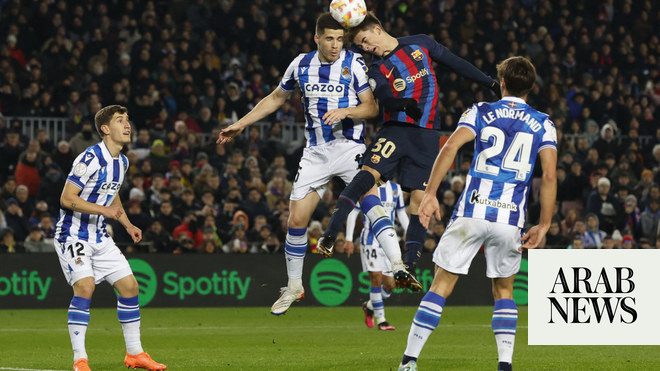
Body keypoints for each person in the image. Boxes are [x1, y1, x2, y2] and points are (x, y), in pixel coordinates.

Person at [397, 57, 557, 371]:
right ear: (531, 87)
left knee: (441, 286)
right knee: (504, 290)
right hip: (509, 220)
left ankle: (409, 361)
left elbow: (450, 147)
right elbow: (549, 176)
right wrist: (545, 223)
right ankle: (504, 364)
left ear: (503, 83)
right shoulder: (544, 122)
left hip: (471, 211)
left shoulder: (481, 110)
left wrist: (429, 193)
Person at [318, 12, 501, 285]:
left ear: (378, 29)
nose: (367, 49)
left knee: (421, 198)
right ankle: (331, 232)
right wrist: (402, 105)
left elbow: (454, 62)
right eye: (361, 46)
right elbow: (383, 102)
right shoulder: (376, 69)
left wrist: (489, 83)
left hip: (427, 137)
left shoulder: (421, 43)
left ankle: (410, 266)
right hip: (396, 131)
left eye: (366, 41)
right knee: (367, 173)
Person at [217, 13, 379, 315]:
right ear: (316, 38)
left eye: (340, 39)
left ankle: (399, 262)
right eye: (329, 39)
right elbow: (277, 97)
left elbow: (371, 107)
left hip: (349, 147)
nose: (335, 45)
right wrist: (240, 124)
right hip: (316, 153)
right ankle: (294, 286)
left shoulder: (354, 63)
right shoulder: (301, 64)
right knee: (295, 220)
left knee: (373, 202)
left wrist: (346, 112)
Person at [53, 105, 166, 371]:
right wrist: (105, 211)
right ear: (105, 129)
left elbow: (112, 193)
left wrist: (126, 224)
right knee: (86, 287)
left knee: (130, 288)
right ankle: (80, 359)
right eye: (120, 121)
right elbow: (67, 199)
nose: (127, 125)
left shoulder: (123, 161)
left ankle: (135, 354)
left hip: (100, 236)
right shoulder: (89, 159)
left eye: (128, 120)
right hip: (73, 234)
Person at [345, 180, 408, 331]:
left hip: (389, 242)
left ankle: (369, 306)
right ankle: (382, 321)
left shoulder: (396, 189)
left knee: (391, 284)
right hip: (370, 241)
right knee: (376, 278)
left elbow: (401, 213)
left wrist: (409, 233)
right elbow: (354, 213)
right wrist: (348, 239)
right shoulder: (367, 186)